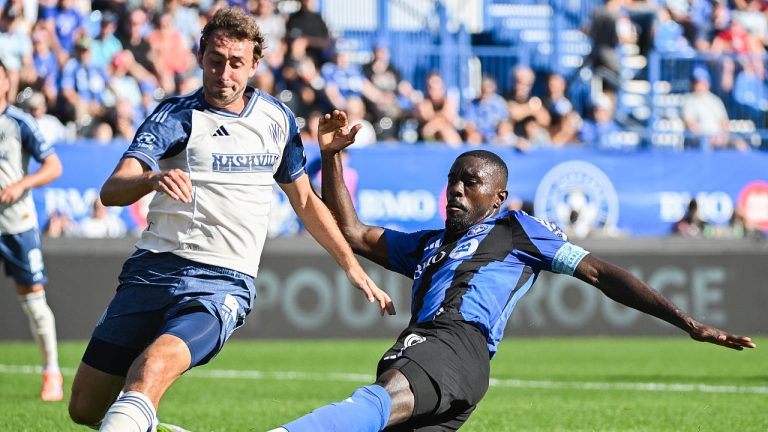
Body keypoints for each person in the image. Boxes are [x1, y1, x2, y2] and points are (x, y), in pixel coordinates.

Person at [269, 110, 756, 432]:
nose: (457, 189)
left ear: (497, 198)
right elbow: (352, 233)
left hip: (455, 345)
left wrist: (686, 323)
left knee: (380, 399)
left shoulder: (516, 229)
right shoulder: (431, 246)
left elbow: (602, 273)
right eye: (452, 180)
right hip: (439, 356)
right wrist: (332, 157)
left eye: (471, 182)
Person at [67, 9, 394, 432]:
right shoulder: (175, 116)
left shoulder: (276, 120)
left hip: (222, 282)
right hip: (151, 272)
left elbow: (306, 202)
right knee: (85, 409)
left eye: (236, 63)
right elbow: (112, 191)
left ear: (255, 64)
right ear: (201, 56)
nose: (224, 73)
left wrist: (351, 265)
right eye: (216, 60)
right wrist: (152, 177)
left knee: (150, 369)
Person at [0, 59, 65, 401]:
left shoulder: (18, 122)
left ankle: (52, 371)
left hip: (16, 224)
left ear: (6, 82)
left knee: (34, 301)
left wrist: (22, 184)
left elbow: (54, 165)